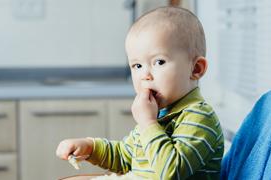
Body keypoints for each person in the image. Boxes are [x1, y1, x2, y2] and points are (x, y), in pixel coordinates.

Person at [56, 6, 224, 180]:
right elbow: (124, 158)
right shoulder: (157, 115)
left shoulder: (199, 116)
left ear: (196, 68)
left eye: (159, 62)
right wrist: (91, 147)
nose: (145, 75)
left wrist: (148, 123)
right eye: (137, 66)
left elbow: (171, 171)